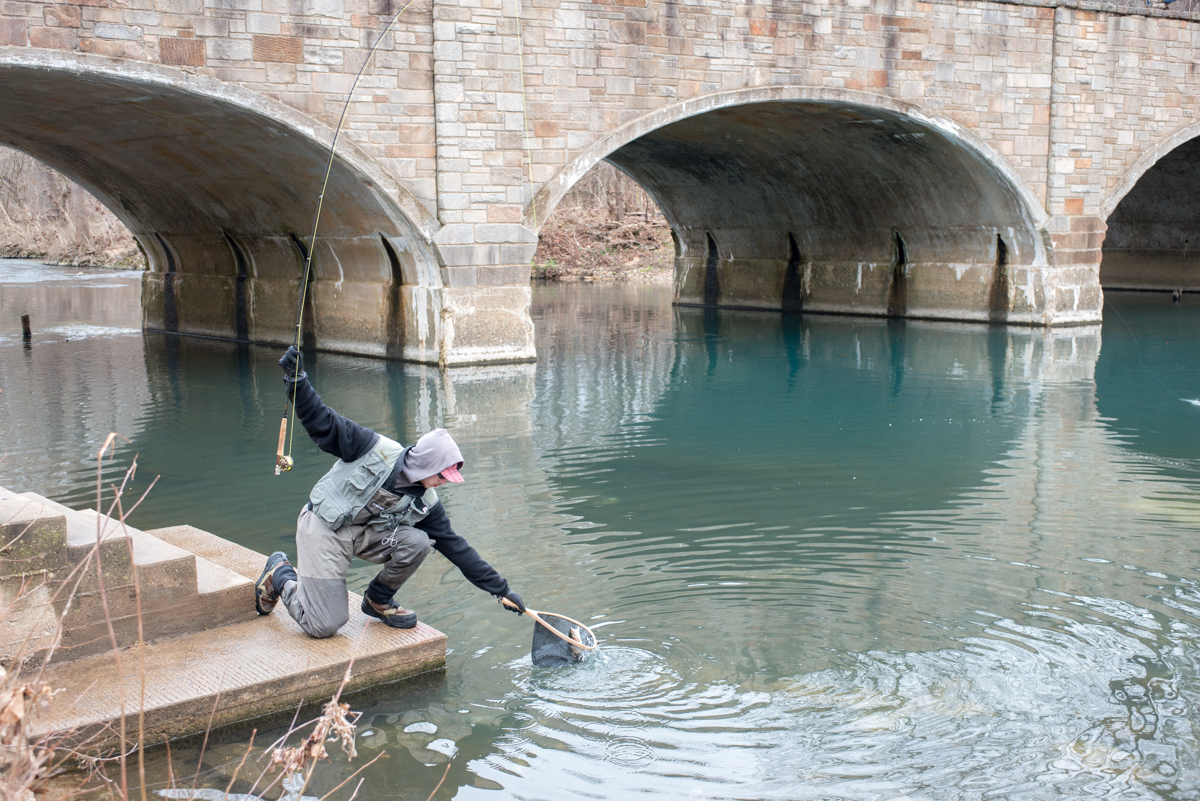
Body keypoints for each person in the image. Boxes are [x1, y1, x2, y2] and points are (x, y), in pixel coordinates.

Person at [254, 345, 525, 637]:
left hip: (363, 536)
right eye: (443, 475)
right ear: (426, 464)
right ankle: (280, 573)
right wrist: (298, 382)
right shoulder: (371, 447)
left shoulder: (427, 503)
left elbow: (457, 548)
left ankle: (377, 599)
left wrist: (501, 590)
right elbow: (322, 421)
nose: (445, 482)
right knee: (324, 625)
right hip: (324, 529)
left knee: (420, 542)